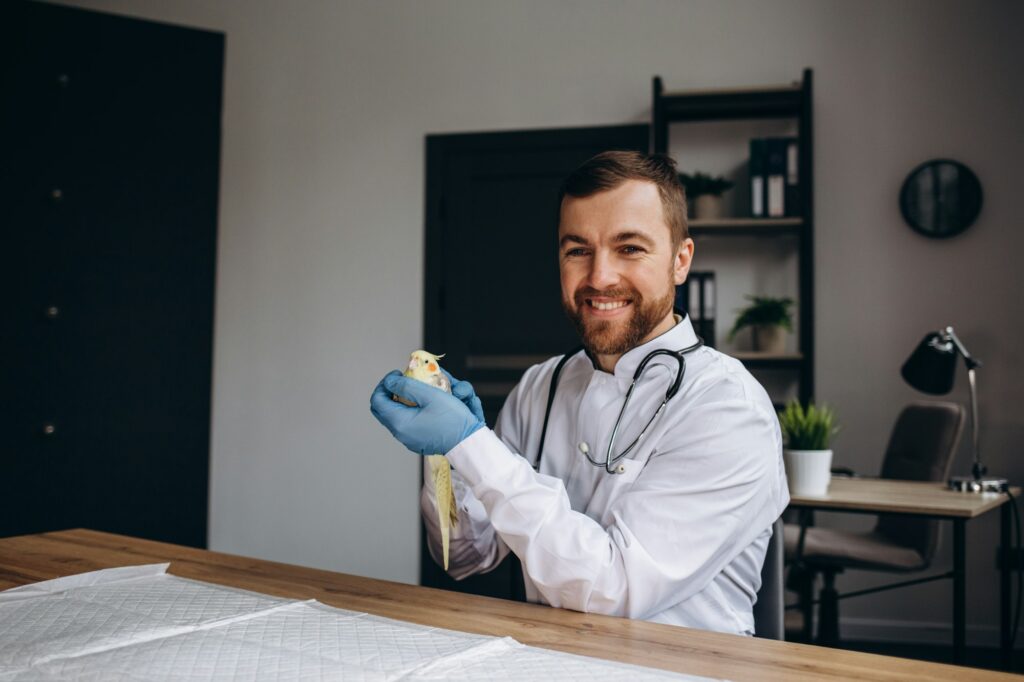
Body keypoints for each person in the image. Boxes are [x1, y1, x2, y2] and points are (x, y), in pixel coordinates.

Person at [370, 151, 788, 636]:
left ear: (680, 260)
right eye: (577, 250)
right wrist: (448, 458)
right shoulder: (541, 385)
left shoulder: (728, 408)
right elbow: (467, 556)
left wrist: (471, 444)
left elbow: (612, 589)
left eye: (629, 248)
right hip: (546, 661)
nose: (599, 277)